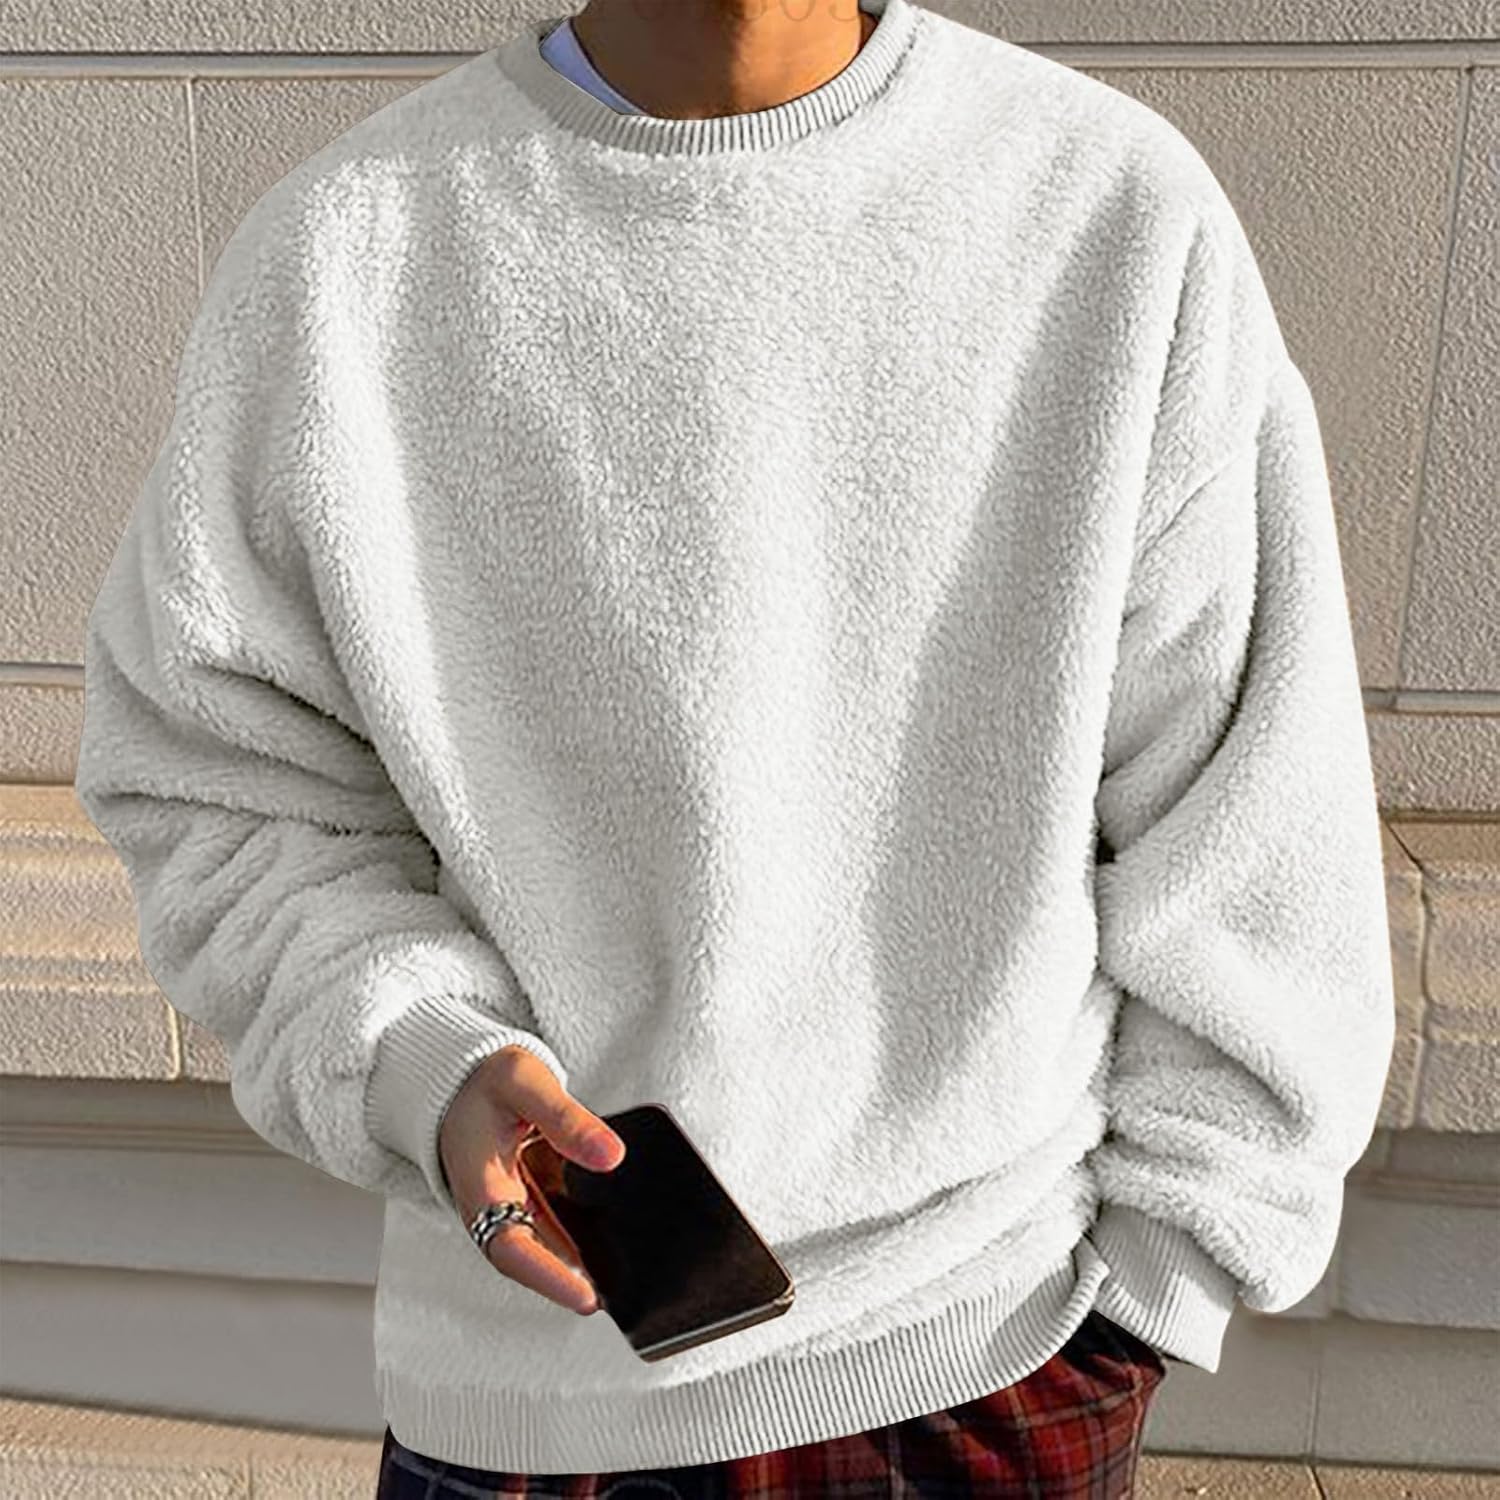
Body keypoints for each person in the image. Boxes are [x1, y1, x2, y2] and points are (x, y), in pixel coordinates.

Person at [73, 0, 1397, 1494]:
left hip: (989, 1354)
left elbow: (1250, 804)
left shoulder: (1108, 212)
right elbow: (219, 783)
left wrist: (1161, 1285)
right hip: (538, 1382)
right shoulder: (346, 255)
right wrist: (423, 1058)